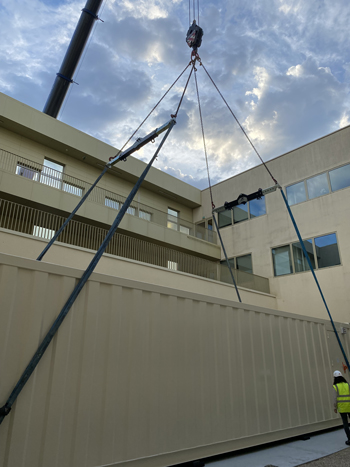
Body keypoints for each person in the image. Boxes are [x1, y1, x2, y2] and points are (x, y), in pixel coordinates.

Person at [333, 370, 350, 445]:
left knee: (345, 423)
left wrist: (335, 407)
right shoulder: (347, 385)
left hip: (342, 407)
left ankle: (349, 439)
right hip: (349, 406)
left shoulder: (335, 386)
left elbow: (334, 398)